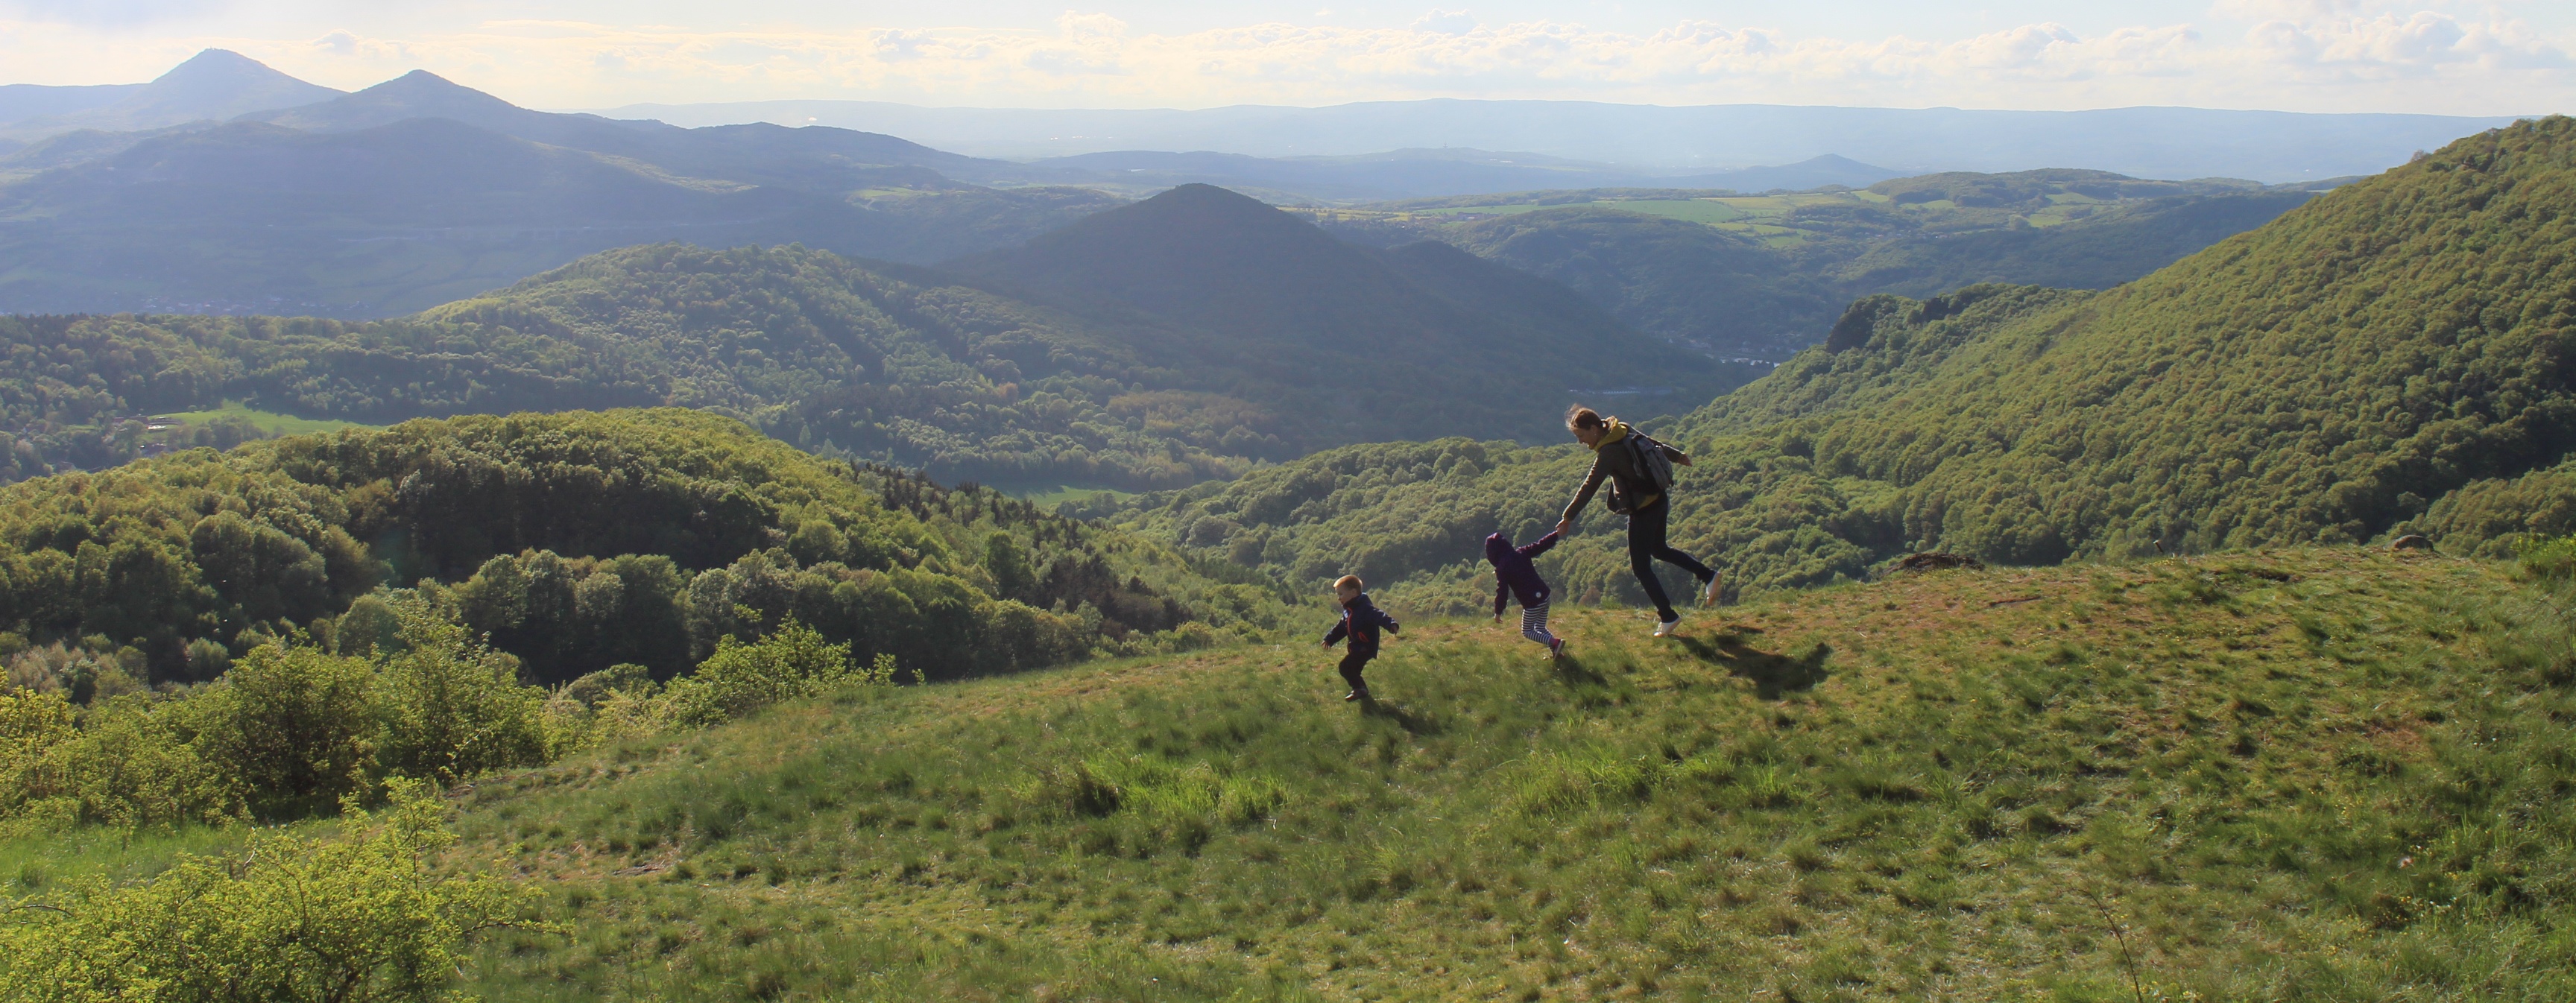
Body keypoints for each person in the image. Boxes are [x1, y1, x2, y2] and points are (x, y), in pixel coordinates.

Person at [1553, 405, 1720, 637]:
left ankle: (1668, 616)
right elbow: (1652, 443)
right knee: (1659, 549)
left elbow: (1589, 487)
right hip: (1659, 498)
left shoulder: (1608, 453)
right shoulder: (1621, 429)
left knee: (1641, 568)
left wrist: (1567, 517)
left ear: (1593, 429)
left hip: (1643, 510)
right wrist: (1677, 456)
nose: (1580, 441)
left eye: (1581, 435)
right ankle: (1708, 576)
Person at [1486, 528, 1567, 659]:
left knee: (1527, 631)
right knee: (1540, 627)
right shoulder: (1522, 552)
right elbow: (1541, 545)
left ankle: (1555, 643)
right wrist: (1556, 534)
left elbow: (1502, 591)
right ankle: (1557, 653)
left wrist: (1498, 611)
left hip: (1532, 604)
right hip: (1545, 595)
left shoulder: (1502, 569)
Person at [1322, 574, 1400, 701]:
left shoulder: (1365, 609)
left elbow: (1379, 615)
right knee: (1353, 670)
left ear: (1353, 593)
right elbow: (1342, 627)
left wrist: (1391, 624)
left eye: (1341, 594)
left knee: (1345, 667)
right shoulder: (1349, 611)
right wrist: (1330, 639)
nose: (1338, 598)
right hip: (1357, 646)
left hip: (1366, 646)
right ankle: (1360, 690)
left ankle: (1360, 689)